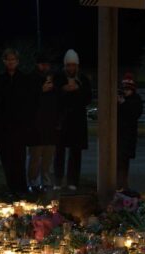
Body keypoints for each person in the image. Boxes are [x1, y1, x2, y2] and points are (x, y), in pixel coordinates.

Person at [0, 48, 32, 195]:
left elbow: (29, 104)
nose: (11, 62)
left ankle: (21, 186)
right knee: (7, 160)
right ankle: (11, 186)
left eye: (13, 59)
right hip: (4, 128)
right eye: (8, 59)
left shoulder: (25, 80)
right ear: (4, 61)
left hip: (20, 128)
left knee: (19, 158)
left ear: (17, 61)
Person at [53, 49, 92, 191]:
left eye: (73, 65)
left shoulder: (83, 79)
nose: (71, 68)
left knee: (75, 152)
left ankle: (73, 181)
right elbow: (54, 97)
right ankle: (58, 180)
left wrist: (77, 89)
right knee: (59, 151)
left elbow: (88, 98)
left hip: (77, 121)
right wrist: (64, 90)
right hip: (62, 120)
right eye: (68, 65)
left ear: (77, 65)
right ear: (65, 65)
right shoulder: (58, 78)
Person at [27, 52, 61, 193]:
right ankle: (33, 181)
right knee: (35, 155)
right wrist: (41, 90)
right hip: (36, 124)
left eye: (47, 64)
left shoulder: (54, 80)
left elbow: (58, 100)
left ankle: (45, 181)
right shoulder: (31, 79)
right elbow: (27, 100)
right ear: (37, 64)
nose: (45, 66)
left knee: (48, 156)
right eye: (42, 64)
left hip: (51, 124)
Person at [117, 72, 143, 190]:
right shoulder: (119, 99)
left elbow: (134, 114)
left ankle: (123, 184)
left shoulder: (135, 100)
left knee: (124, 161)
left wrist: (123, 103)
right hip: (118, 133)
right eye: (124, 89)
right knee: (117, 160)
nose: (126, 91)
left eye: (128, 89)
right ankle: (118, 184)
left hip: (128, 135)